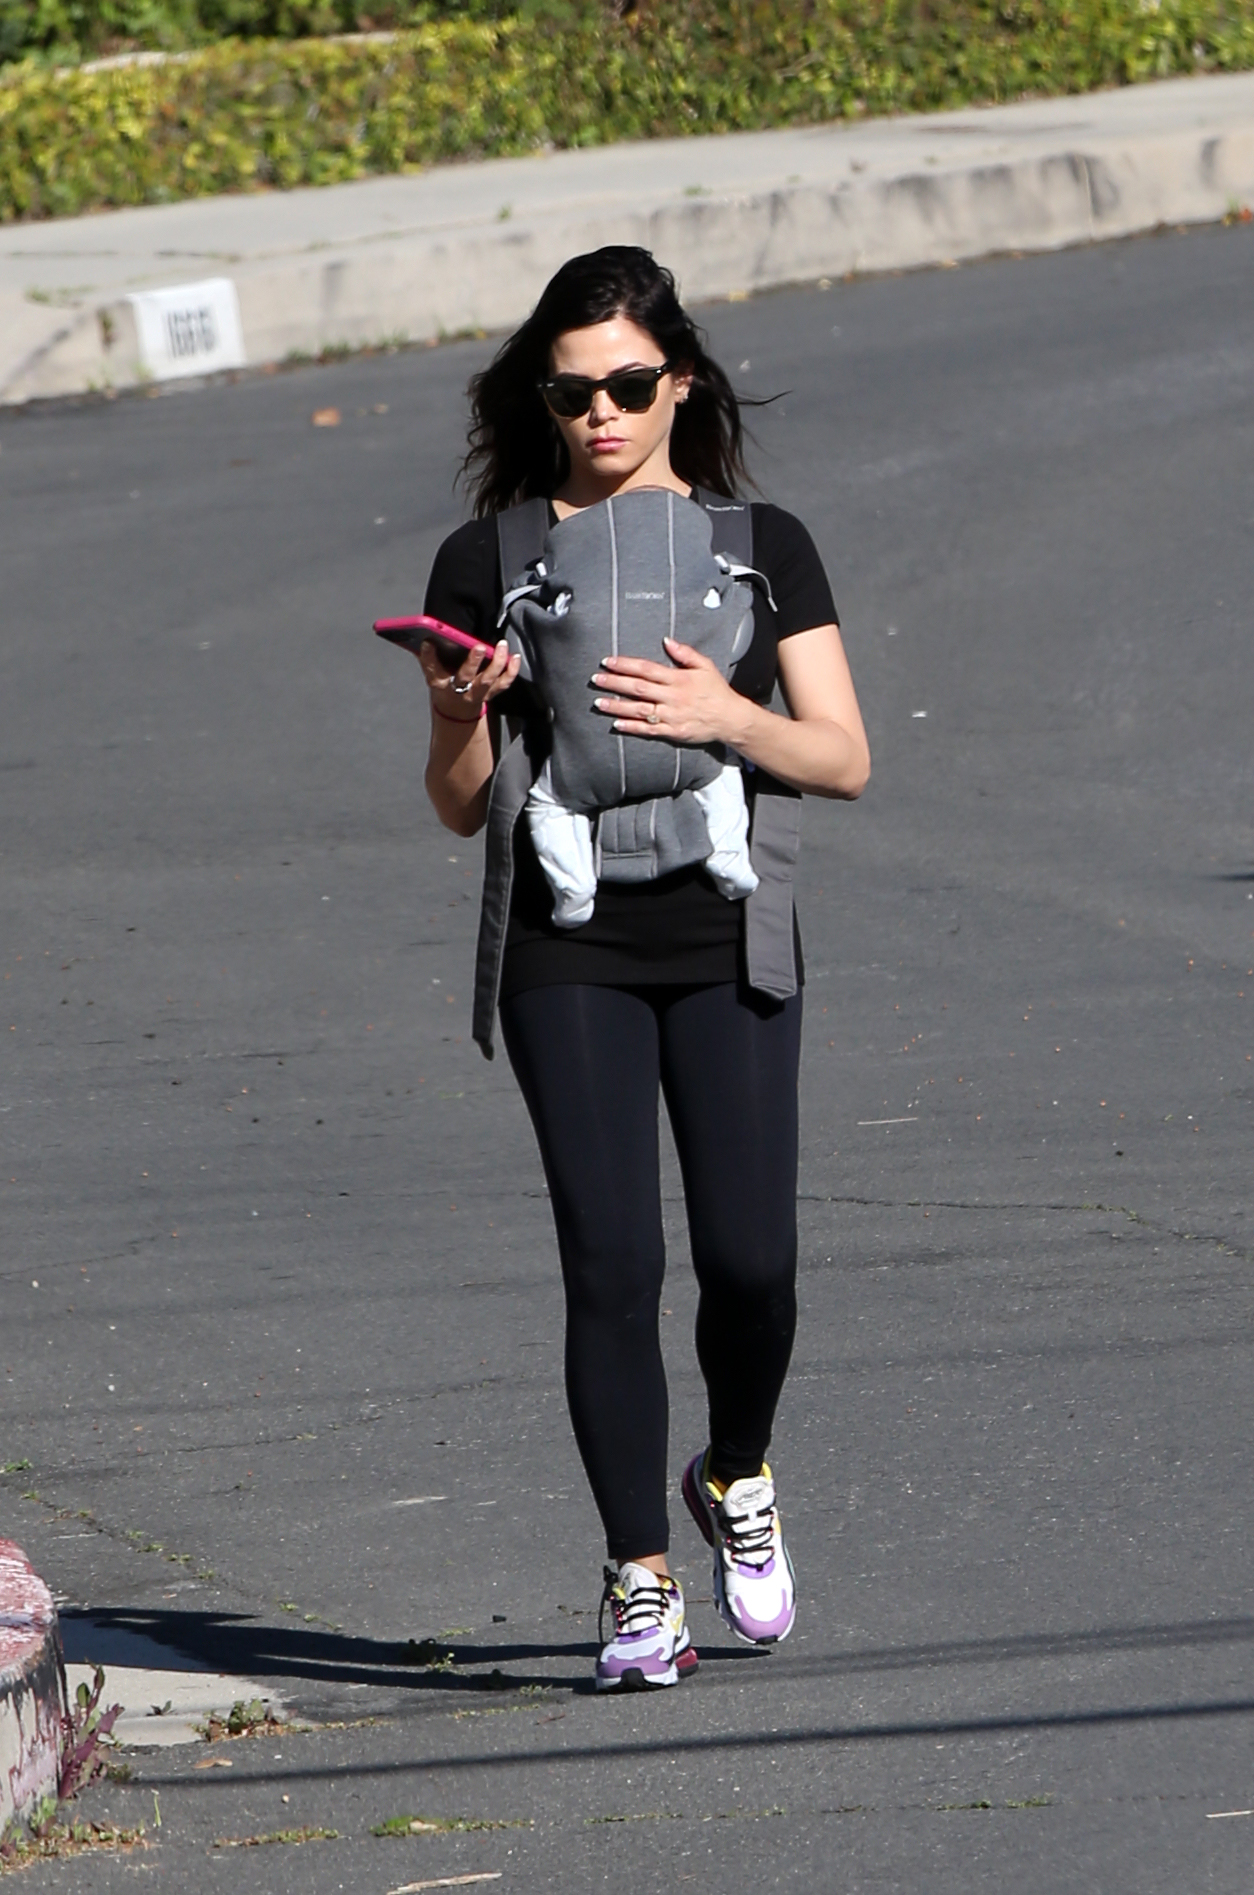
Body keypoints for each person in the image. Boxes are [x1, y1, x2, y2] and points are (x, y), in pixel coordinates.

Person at [418, 246, 870, 1693]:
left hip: (729, 926)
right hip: (569, 943)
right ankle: (637, 1580)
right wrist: (454, 716)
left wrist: (725, 711)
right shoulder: (487, 559)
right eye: (572, 392)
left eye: (626, 384)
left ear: (678, 380)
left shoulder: (764, 540)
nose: (600, 414)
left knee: (754, 1262)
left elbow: (845, 758)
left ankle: (733, 1470)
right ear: (541, 397)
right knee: (611, 1260)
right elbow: (459, 795)